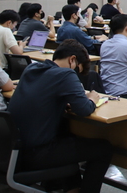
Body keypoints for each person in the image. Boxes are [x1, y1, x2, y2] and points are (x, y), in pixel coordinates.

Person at [9, 39, 112, 193]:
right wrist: (92, 98)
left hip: (14, 150)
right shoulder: (65, 74)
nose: (76, 75)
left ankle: (73, 188)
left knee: (67, 136)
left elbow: (43, 96)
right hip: (37, 153)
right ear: (72, 60)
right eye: (78, 70)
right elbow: (84, 109)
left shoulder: (31, 68)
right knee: (104, 149)